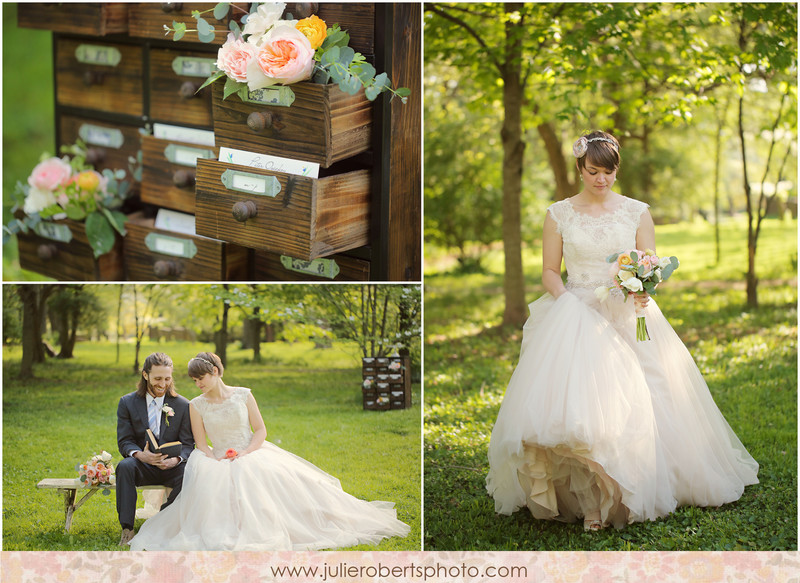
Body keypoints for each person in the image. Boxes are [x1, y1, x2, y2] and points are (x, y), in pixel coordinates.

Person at [485, 130, 759, 532]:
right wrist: (566, 304)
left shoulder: (636, 211)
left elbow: (648, 263)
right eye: (593, 171)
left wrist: (644, 287)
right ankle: (591, 500)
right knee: (582, 409)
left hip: (628, 311)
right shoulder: (558, 213)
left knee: (651, 394)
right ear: (579, 169)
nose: (601, 180)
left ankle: (642, 480)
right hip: (575, 311)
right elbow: (548, 271)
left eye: (608, 172)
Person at [130, 352, 410, 550]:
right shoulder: (196, 405)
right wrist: (214, 457)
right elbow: (200, 442)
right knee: (213, 481)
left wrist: (247, 452)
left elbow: (260, 430)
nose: (198, 384)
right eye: (194, 380)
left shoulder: (243, 394)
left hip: (249, 452)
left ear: (215, 372)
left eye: (201, 378)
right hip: (216, 457)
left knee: (275, 485)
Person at [116, 352, 195, 546]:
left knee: (191, 472)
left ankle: (161, 523)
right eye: (157, 378)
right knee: (124, 467)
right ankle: (127, 529)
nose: (163, 384)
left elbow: (188, 443)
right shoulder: (127, 403)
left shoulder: (183, 405)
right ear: (145, 375)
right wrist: (141, 455)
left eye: (167, 378)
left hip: (173, 467)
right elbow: (125, 441)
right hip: (143, 465)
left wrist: (176, 460)